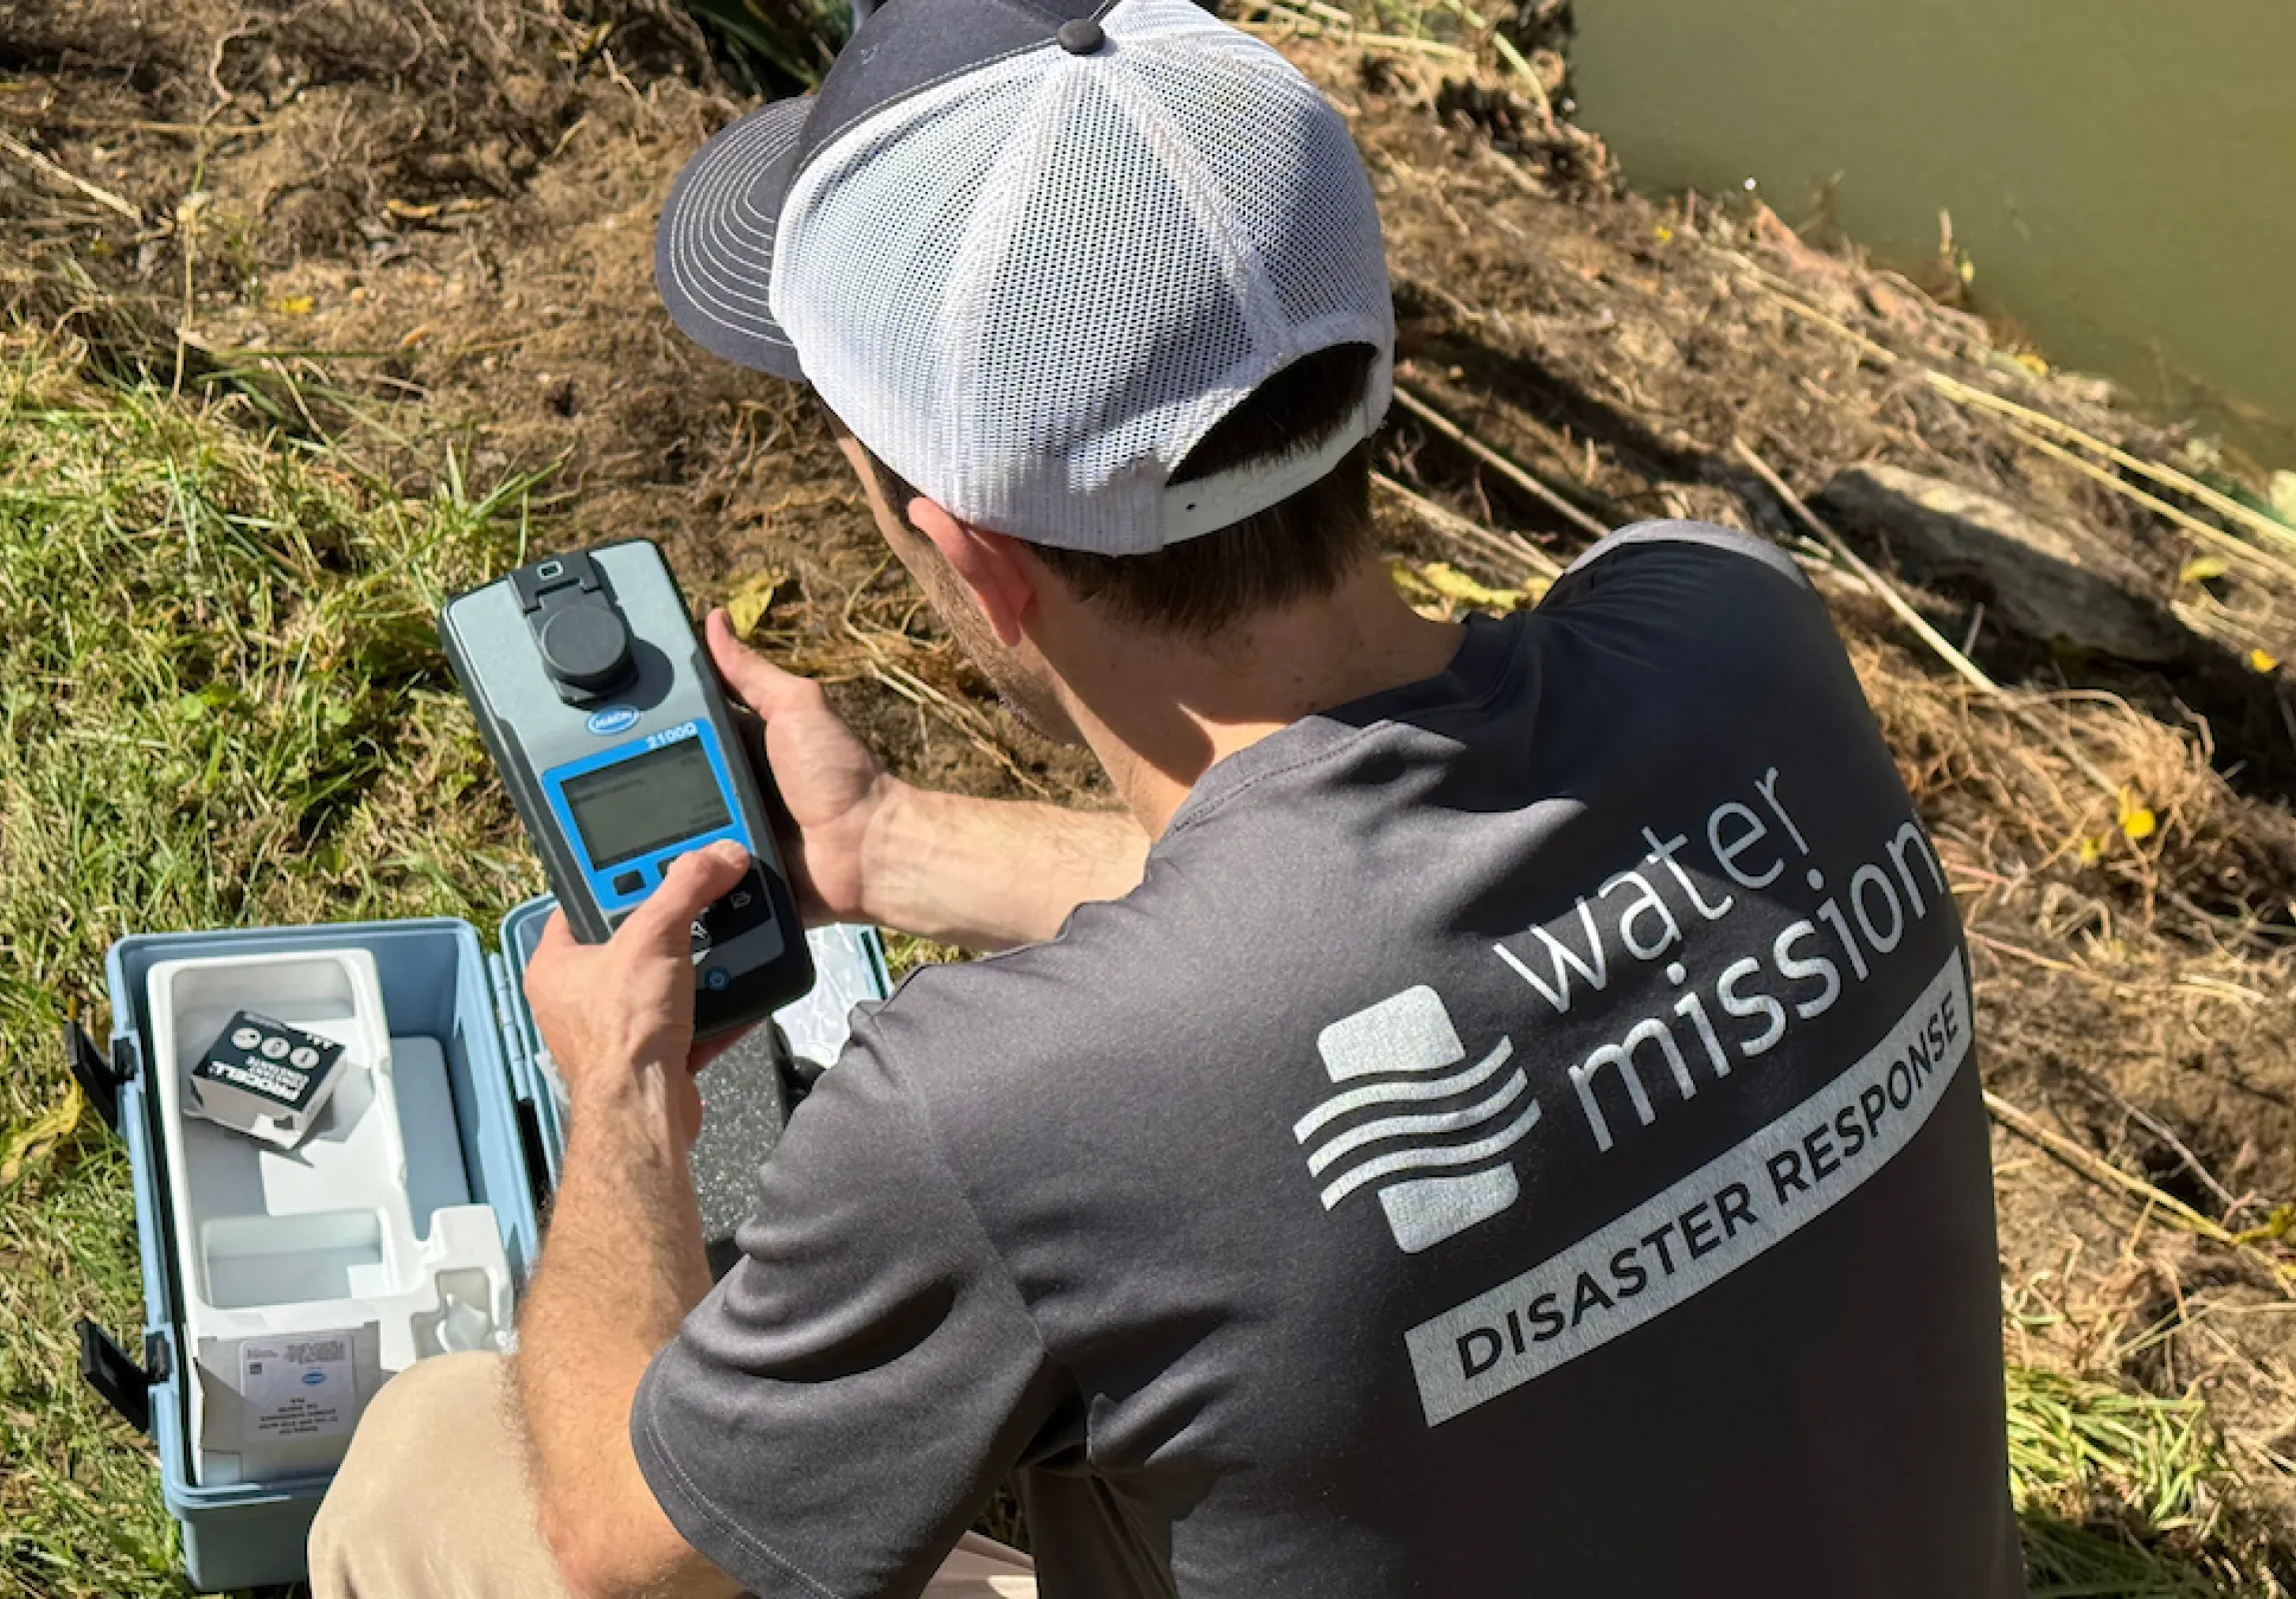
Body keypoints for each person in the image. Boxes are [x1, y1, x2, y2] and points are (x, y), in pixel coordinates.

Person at [310, 0, 2026, 1593]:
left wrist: (619, 1087)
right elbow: (1373, 926)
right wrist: (890, 843)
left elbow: (619, 1556)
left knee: (428, 1463)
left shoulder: (993, 1117)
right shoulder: (1733, 630)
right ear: (1360, 367)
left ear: (976, 561)